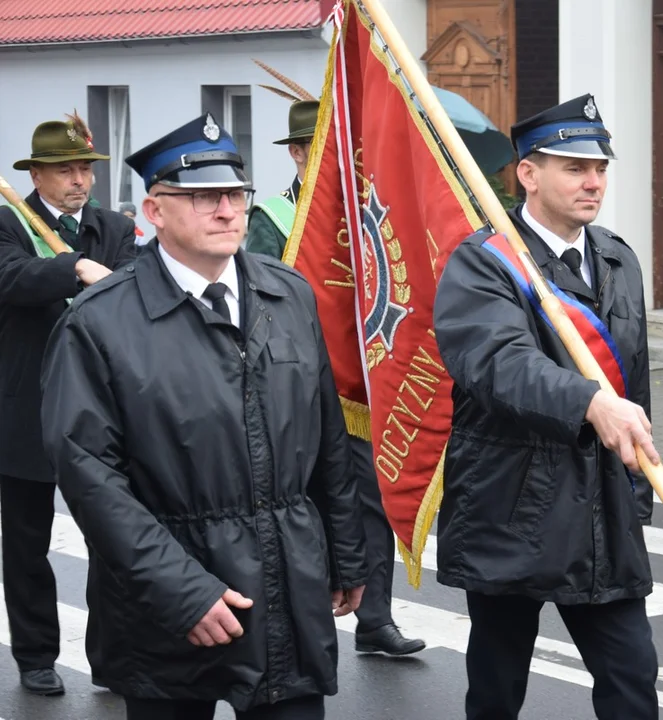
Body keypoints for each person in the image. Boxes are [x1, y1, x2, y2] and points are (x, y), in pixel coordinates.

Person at [39, 113, 368, 720]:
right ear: (155, 211)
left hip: (285, 580)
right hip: (167, 603)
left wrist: (346, 551)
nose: (227, 210)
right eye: (202, 197)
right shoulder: (100, 322)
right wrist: (181, 591)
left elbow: (327, 436)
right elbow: (90, 478)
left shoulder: (287, 293)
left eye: (235, 194)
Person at [432, 94, 660, 720]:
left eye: (600, 168)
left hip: (602, 511)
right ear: (528, 174)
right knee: (498, 687)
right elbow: (500, 365)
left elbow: (633, 385)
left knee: (633, 679)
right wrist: (589, 402)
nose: (593, 182)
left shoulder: (616, 257)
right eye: (573, 167)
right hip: (513, 507)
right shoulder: (484, 260)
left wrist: (635, 496)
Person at [247, 97, 425, 657]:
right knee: (302, 505)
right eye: (320, 150)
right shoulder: (272, 218)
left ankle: (377, 619)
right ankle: (299, 621)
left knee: (373, 499)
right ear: (299, 153)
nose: (333, 161)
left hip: (360, 383)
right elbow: (259, 302)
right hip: (295, 387)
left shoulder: (364, 212)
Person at [0, 114, 136, 696]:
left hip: (99, 409)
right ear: (36, 175)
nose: (79, 180)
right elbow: (11, 277)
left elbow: (134, 287)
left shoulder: (114, 226)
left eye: (85, 168)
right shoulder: (8, 220)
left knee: (111, 539)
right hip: (25, 406)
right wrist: (73, 267)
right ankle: (35, 655)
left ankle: (110, 658)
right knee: (27, 542)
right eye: (64, 170)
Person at [245, 99, 316, 258]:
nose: (330, 150)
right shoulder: (269, 219)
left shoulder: (353, 206)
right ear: (296, 152)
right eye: (318, 142)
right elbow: (263, 281)